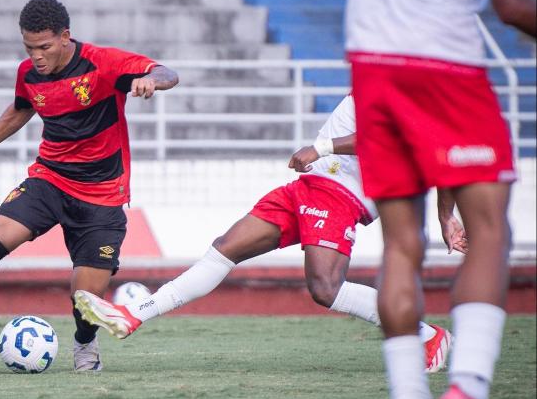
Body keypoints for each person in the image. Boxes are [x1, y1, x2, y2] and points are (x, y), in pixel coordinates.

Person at [72, 96, 459, 373]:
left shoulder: (410, 93)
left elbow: (393, 144)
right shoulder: (393, 79)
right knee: (225, 249)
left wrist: (320, 146)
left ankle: (424, 335)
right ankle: (133, 316)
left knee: (325, 289)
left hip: (341, 193)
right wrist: (446, 218)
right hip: (309, 186)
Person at [0, 0, 179, 371]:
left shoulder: (104, 63)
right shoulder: (29, 73)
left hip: (101, 194)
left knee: (85, 296)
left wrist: (151, 80)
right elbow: (21, 108)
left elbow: (167, 72)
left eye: (44, 47)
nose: (36, 56)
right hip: (49, 178)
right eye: (29, 47)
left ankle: (85, 345)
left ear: (65, 37)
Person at [338, 0, 536, 399]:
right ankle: (467, 389)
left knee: (401, 245)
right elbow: (512, 4)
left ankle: (409, 395)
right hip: (446, 64)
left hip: (371, 67)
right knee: (489, 232)